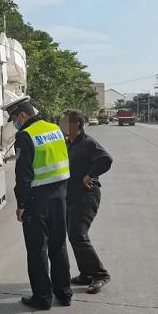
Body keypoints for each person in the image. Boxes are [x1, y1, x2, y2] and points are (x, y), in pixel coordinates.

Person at [3, 96, 73, 310]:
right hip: (60, 196)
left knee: (37, 250)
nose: (15, 123)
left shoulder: (25, 136)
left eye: (14, 119)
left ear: (22, 115)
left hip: (37, 200)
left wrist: (21, 204)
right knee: (59, 245)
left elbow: (23, 174)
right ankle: (64, 293)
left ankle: (42, 297)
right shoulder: (54, 129)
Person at [59, 109, 113, 294]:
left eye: (65, 122)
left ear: (77, 125)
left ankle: (100, 274)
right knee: (73, 235)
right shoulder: (68, 143)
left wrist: (90, 175)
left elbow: (106, 159)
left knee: (78, 234)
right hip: (71, 195)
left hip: (87, 195)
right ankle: (86, 274)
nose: (62, 125)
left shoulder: (88, 142)